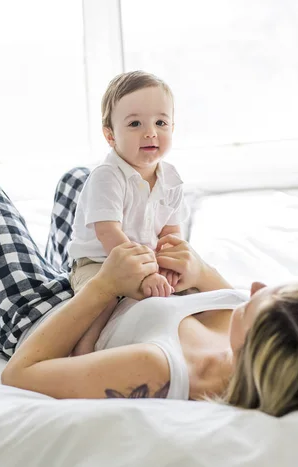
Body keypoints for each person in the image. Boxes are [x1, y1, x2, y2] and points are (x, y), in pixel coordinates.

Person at [0, 164, 298, 416]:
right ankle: (58, 263)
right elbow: (217, 288)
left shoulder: (161, 369)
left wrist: (105, 286)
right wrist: (186, 262)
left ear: (255, 351)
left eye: (260, 299)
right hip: (107, 279)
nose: (255, 285)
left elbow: (22, 373)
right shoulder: (256, 330)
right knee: (87, 182)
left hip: (52, 317)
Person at [68, 71, 189, 356]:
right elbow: (108, 233)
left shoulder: (171, 179)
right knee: (103, 298)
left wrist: (170, 263)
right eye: (135, 123)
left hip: (144, 259)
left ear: (173, 127)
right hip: (99, 261)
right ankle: (83, 354)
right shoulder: (107, 176)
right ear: (110, 136)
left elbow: (171, 232)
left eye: (161, 122)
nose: (150, 132)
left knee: (183, 291)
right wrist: (143, 274)